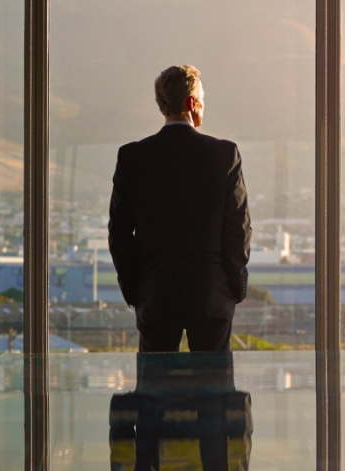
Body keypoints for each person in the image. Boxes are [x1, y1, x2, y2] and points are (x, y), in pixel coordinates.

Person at [107, 64, 252, 353]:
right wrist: (234, 288)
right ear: (191, 103)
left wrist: (136, 290)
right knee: (215, 389)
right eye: (203, 98)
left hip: (155, 292)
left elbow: (119, 234)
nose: (204, 104)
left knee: (154, 390)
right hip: (211, 292)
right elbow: (238, 229)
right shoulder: (224, 155)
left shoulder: (132, 157)